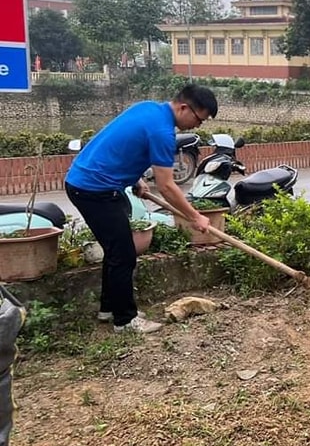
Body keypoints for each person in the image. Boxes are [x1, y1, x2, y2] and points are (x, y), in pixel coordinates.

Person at [65, 84, 219, 333]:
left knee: (116, 250)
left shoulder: (149, 108)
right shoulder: (162, 132)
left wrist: (135, 178)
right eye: (199, 120)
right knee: (123, 253)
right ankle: (125, 320)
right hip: (95, 190)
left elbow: (122, 144)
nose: (197, 126)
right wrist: (195, 217)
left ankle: (109, 309)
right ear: (183, 107)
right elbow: (167, 186)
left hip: (87, 182)